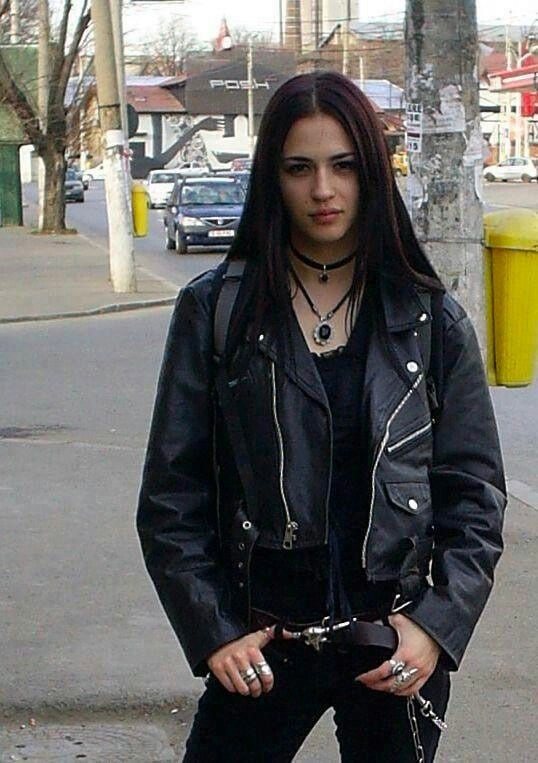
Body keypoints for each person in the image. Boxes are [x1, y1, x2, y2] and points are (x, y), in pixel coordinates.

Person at [137, 71, 506, 762]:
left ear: (371, 172)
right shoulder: (217, 311)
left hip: (393, 645)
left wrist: (435, 626)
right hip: (262, 643)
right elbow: (170, 498)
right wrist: (214, 630)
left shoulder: (428, 318)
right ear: (272, 178)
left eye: (343, 165)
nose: (323, 190)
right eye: (299, 168)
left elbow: (475, 497)